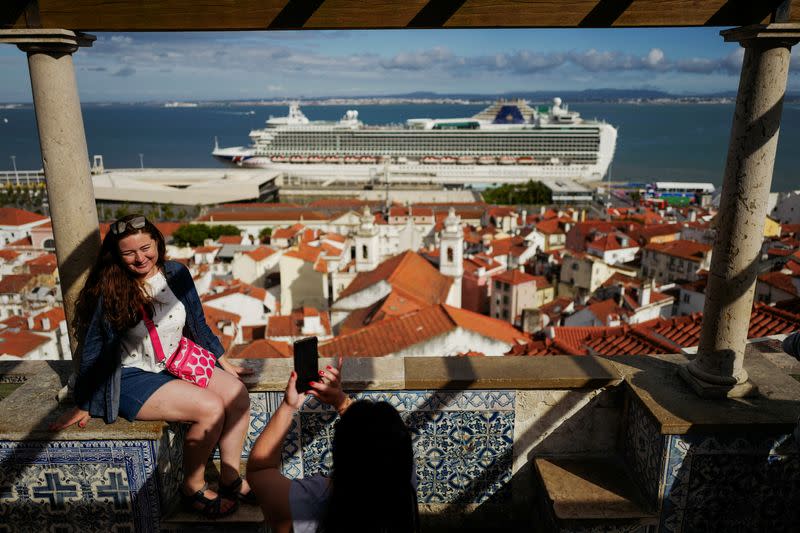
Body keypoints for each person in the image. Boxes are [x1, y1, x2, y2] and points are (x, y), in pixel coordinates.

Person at [50, 214, 254, 518]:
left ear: (157, 242)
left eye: (145, 248)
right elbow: (94, 347)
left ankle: (229, 477)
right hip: (131, 374)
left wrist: (223, 361)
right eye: (129, 252)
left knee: (237, 394)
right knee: (210, 409)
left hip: (174, 359)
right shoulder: (112, 289)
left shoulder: (176, 274)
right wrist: (87, 399)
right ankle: (193, 487)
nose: (139, 258)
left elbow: (197, 322)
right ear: (117, 256)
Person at [247, 358, 419, 533]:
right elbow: (386, 444)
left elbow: (259, 470)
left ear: (340, 452)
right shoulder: (405, 486)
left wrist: (289, 406)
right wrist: (342, 402)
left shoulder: (312, 499)